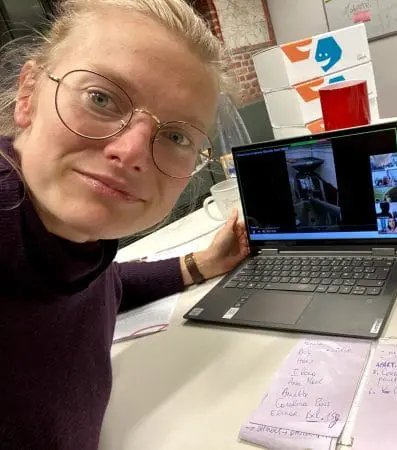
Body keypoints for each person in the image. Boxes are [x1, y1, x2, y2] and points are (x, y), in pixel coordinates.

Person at [0, 1, 250, 448]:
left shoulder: (66, 242)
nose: (132, 152)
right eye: (101, 98)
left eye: (176, 136)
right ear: (27, 94)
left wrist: (200, 263)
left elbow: (100, 284)